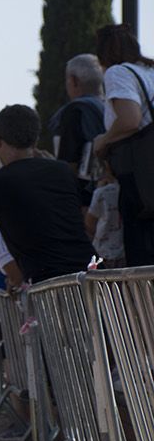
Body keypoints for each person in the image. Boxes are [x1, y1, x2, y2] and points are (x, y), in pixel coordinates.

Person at [0, 104, 93, 283]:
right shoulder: (62, 171)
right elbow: (86, 217)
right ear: (35, 140)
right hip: (92, 275)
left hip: (51, 285)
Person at [92, 24, 154, 267]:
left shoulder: (117, 73)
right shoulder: (148, 71)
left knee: (142, 258)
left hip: (140, 179)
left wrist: (103, 141)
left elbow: (130, 119)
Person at [52, 53, 108, 207]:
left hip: (83, 200)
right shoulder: (110, 108)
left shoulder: (76, 110)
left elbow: (68, 165)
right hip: (109, 193)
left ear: (74, 80)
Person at [87, 165, 124, 267]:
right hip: (123, 252)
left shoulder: (102, 192)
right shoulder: (129, 190)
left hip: (102, 251)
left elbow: (89, 223)